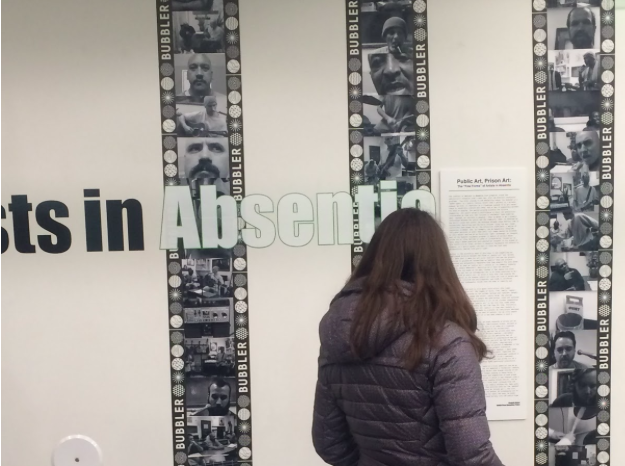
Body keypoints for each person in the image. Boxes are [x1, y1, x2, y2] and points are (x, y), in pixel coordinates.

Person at [312, 209, 504, 466]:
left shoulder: (338, 334)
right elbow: (472, 455)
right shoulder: (446, 343)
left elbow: (329, 444)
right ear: (438, 264)